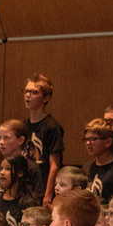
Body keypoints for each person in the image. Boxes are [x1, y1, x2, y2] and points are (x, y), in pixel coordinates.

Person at [22, 74, 64, 206]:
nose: (28, 95)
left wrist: (48, 194)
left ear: (46, 98)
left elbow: (54, 165)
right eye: (26, 91)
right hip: (25, 188)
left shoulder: (52, 127)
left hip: (41, 188)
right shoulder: (23, 126)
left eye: (34, 92)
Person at [83, 118, 113, 203]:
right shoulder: (87, 167)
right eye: (86, 139)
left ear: (108, 142)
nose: (88, 143)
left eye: (93, 139)